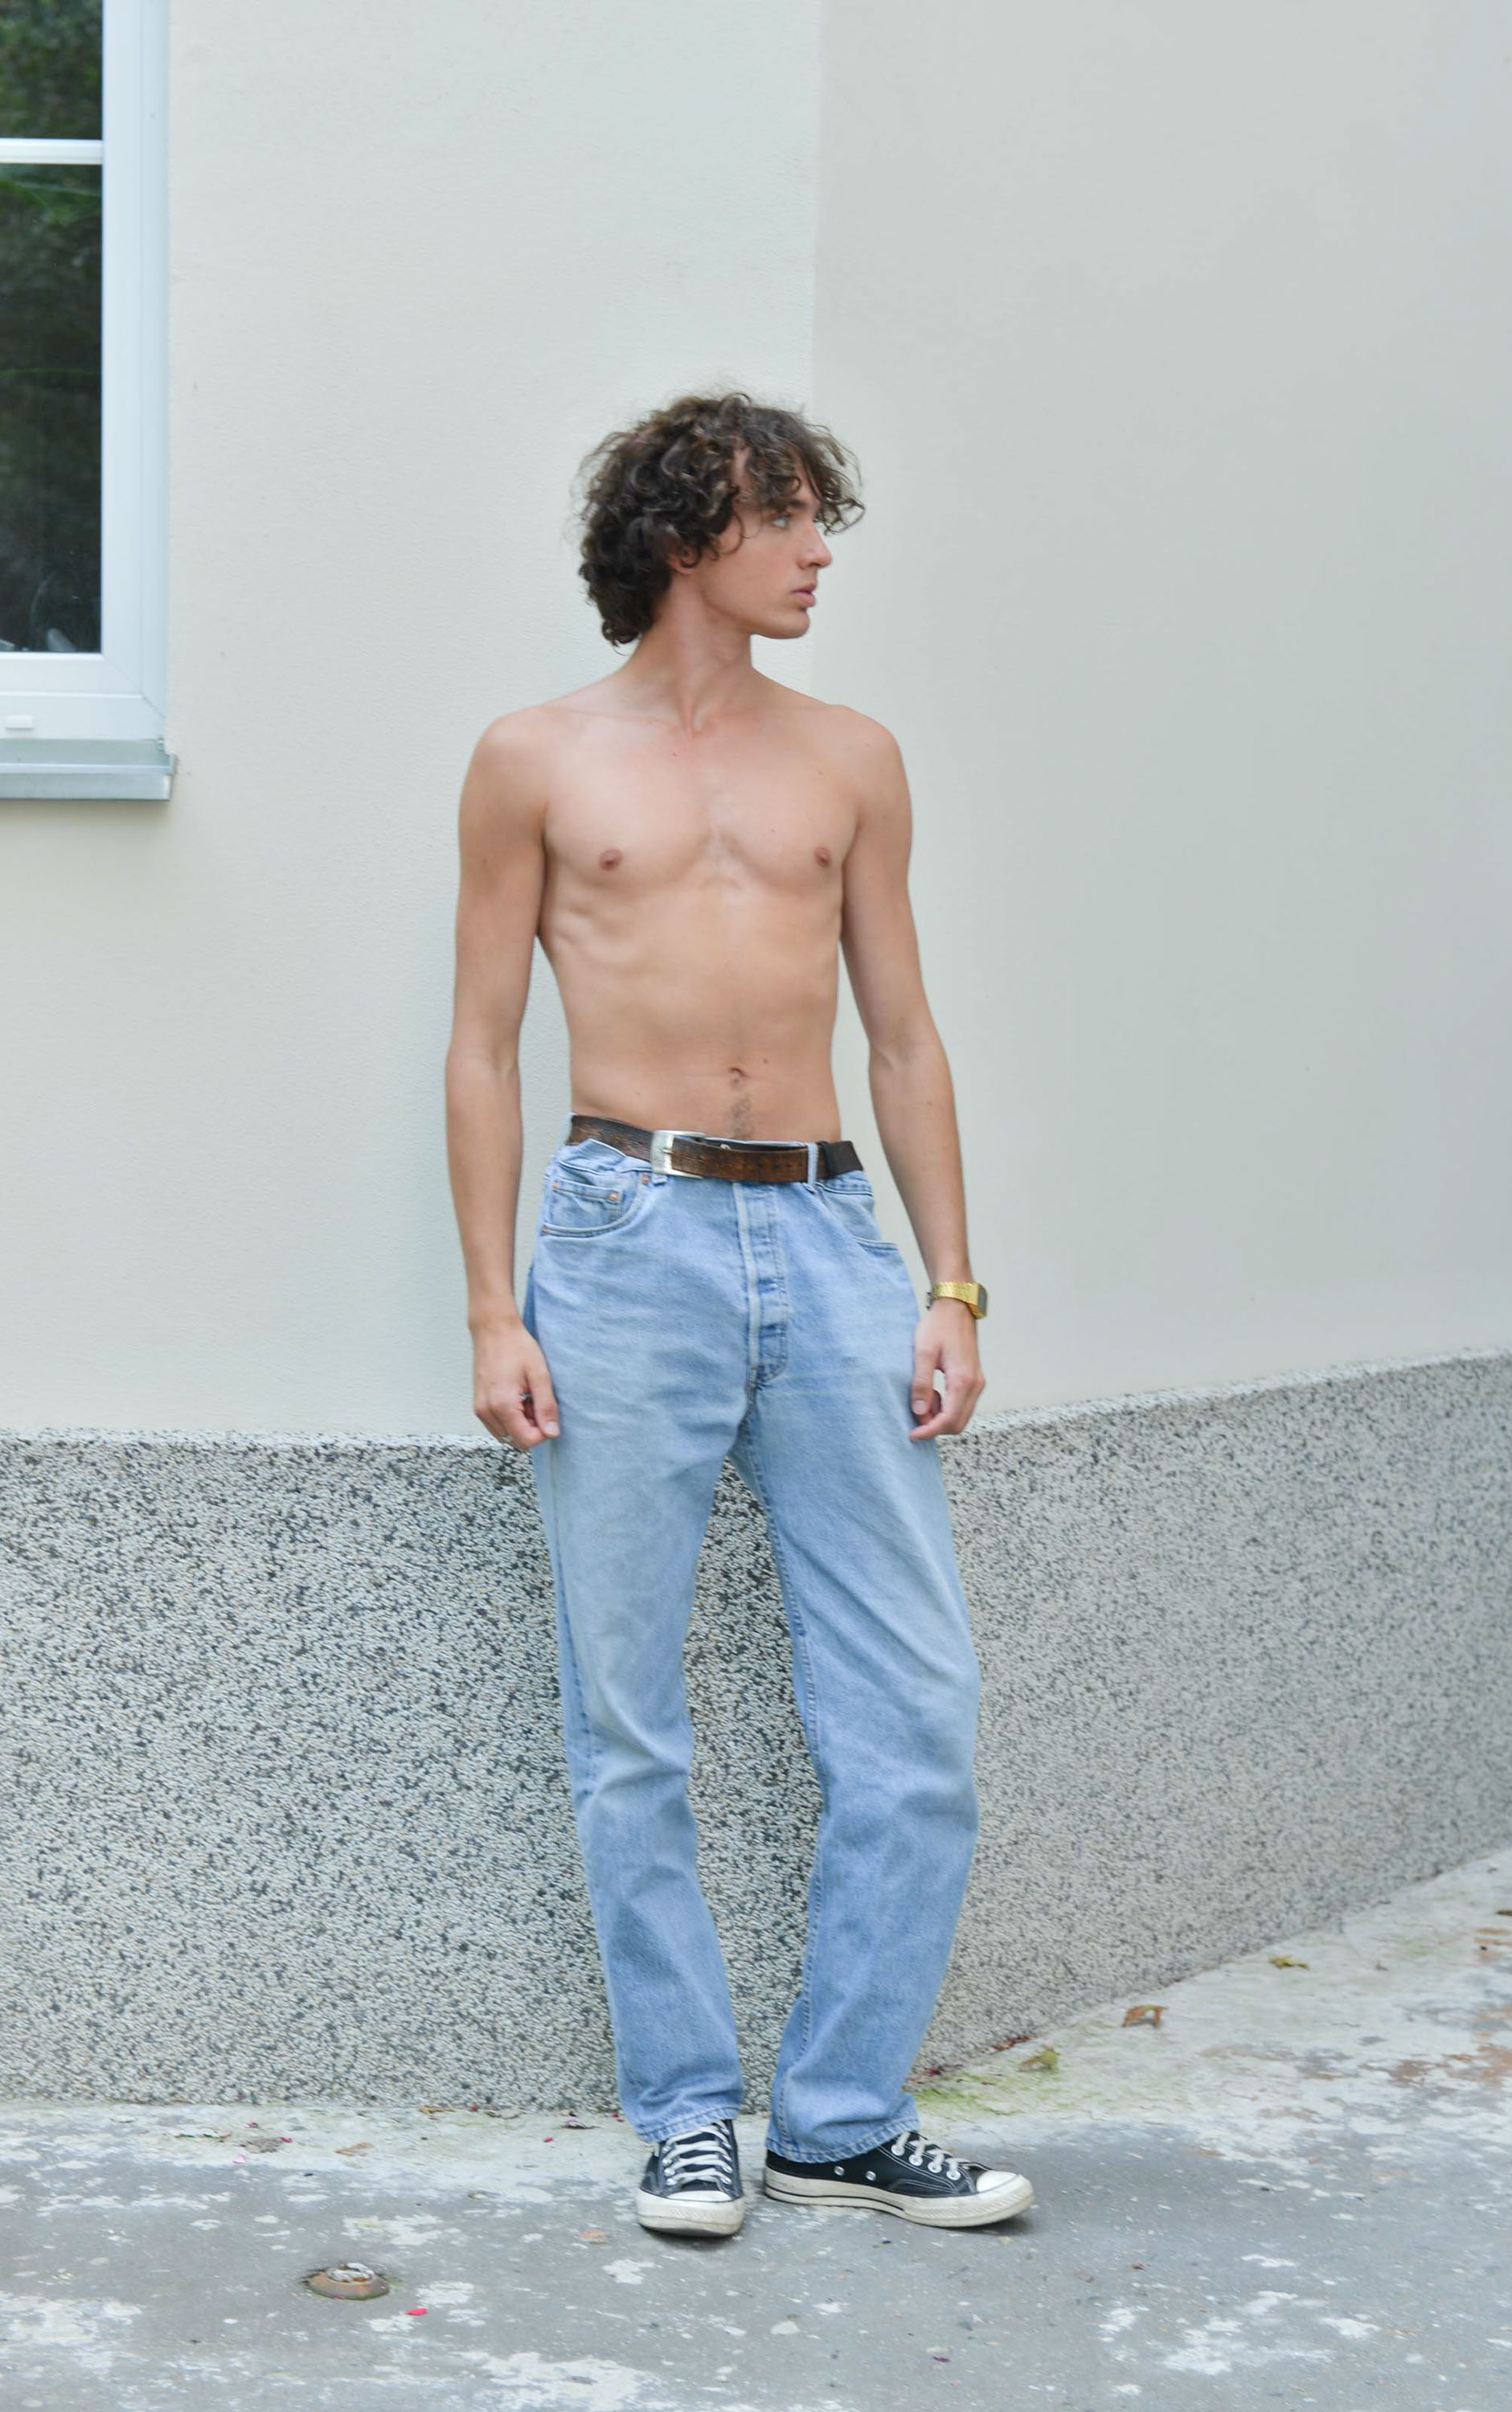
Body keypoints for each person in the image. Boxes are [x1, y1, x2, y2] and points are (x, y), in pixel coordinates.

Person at [445, 391, 1033, 2238]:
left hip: (832, 1234)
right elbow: (480, 1047)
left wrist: (947, 1285)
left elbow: (905, 1038)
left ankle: (840, 2115)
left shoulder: (850, 759)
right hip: (623, 1235)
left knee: (913, 1710)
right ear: (684, 534)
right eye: (783, 515)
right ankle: (687, 2112)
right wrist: (491, 1310)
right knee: (630, 1720)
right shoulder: (533, 760)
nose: (816, 550)